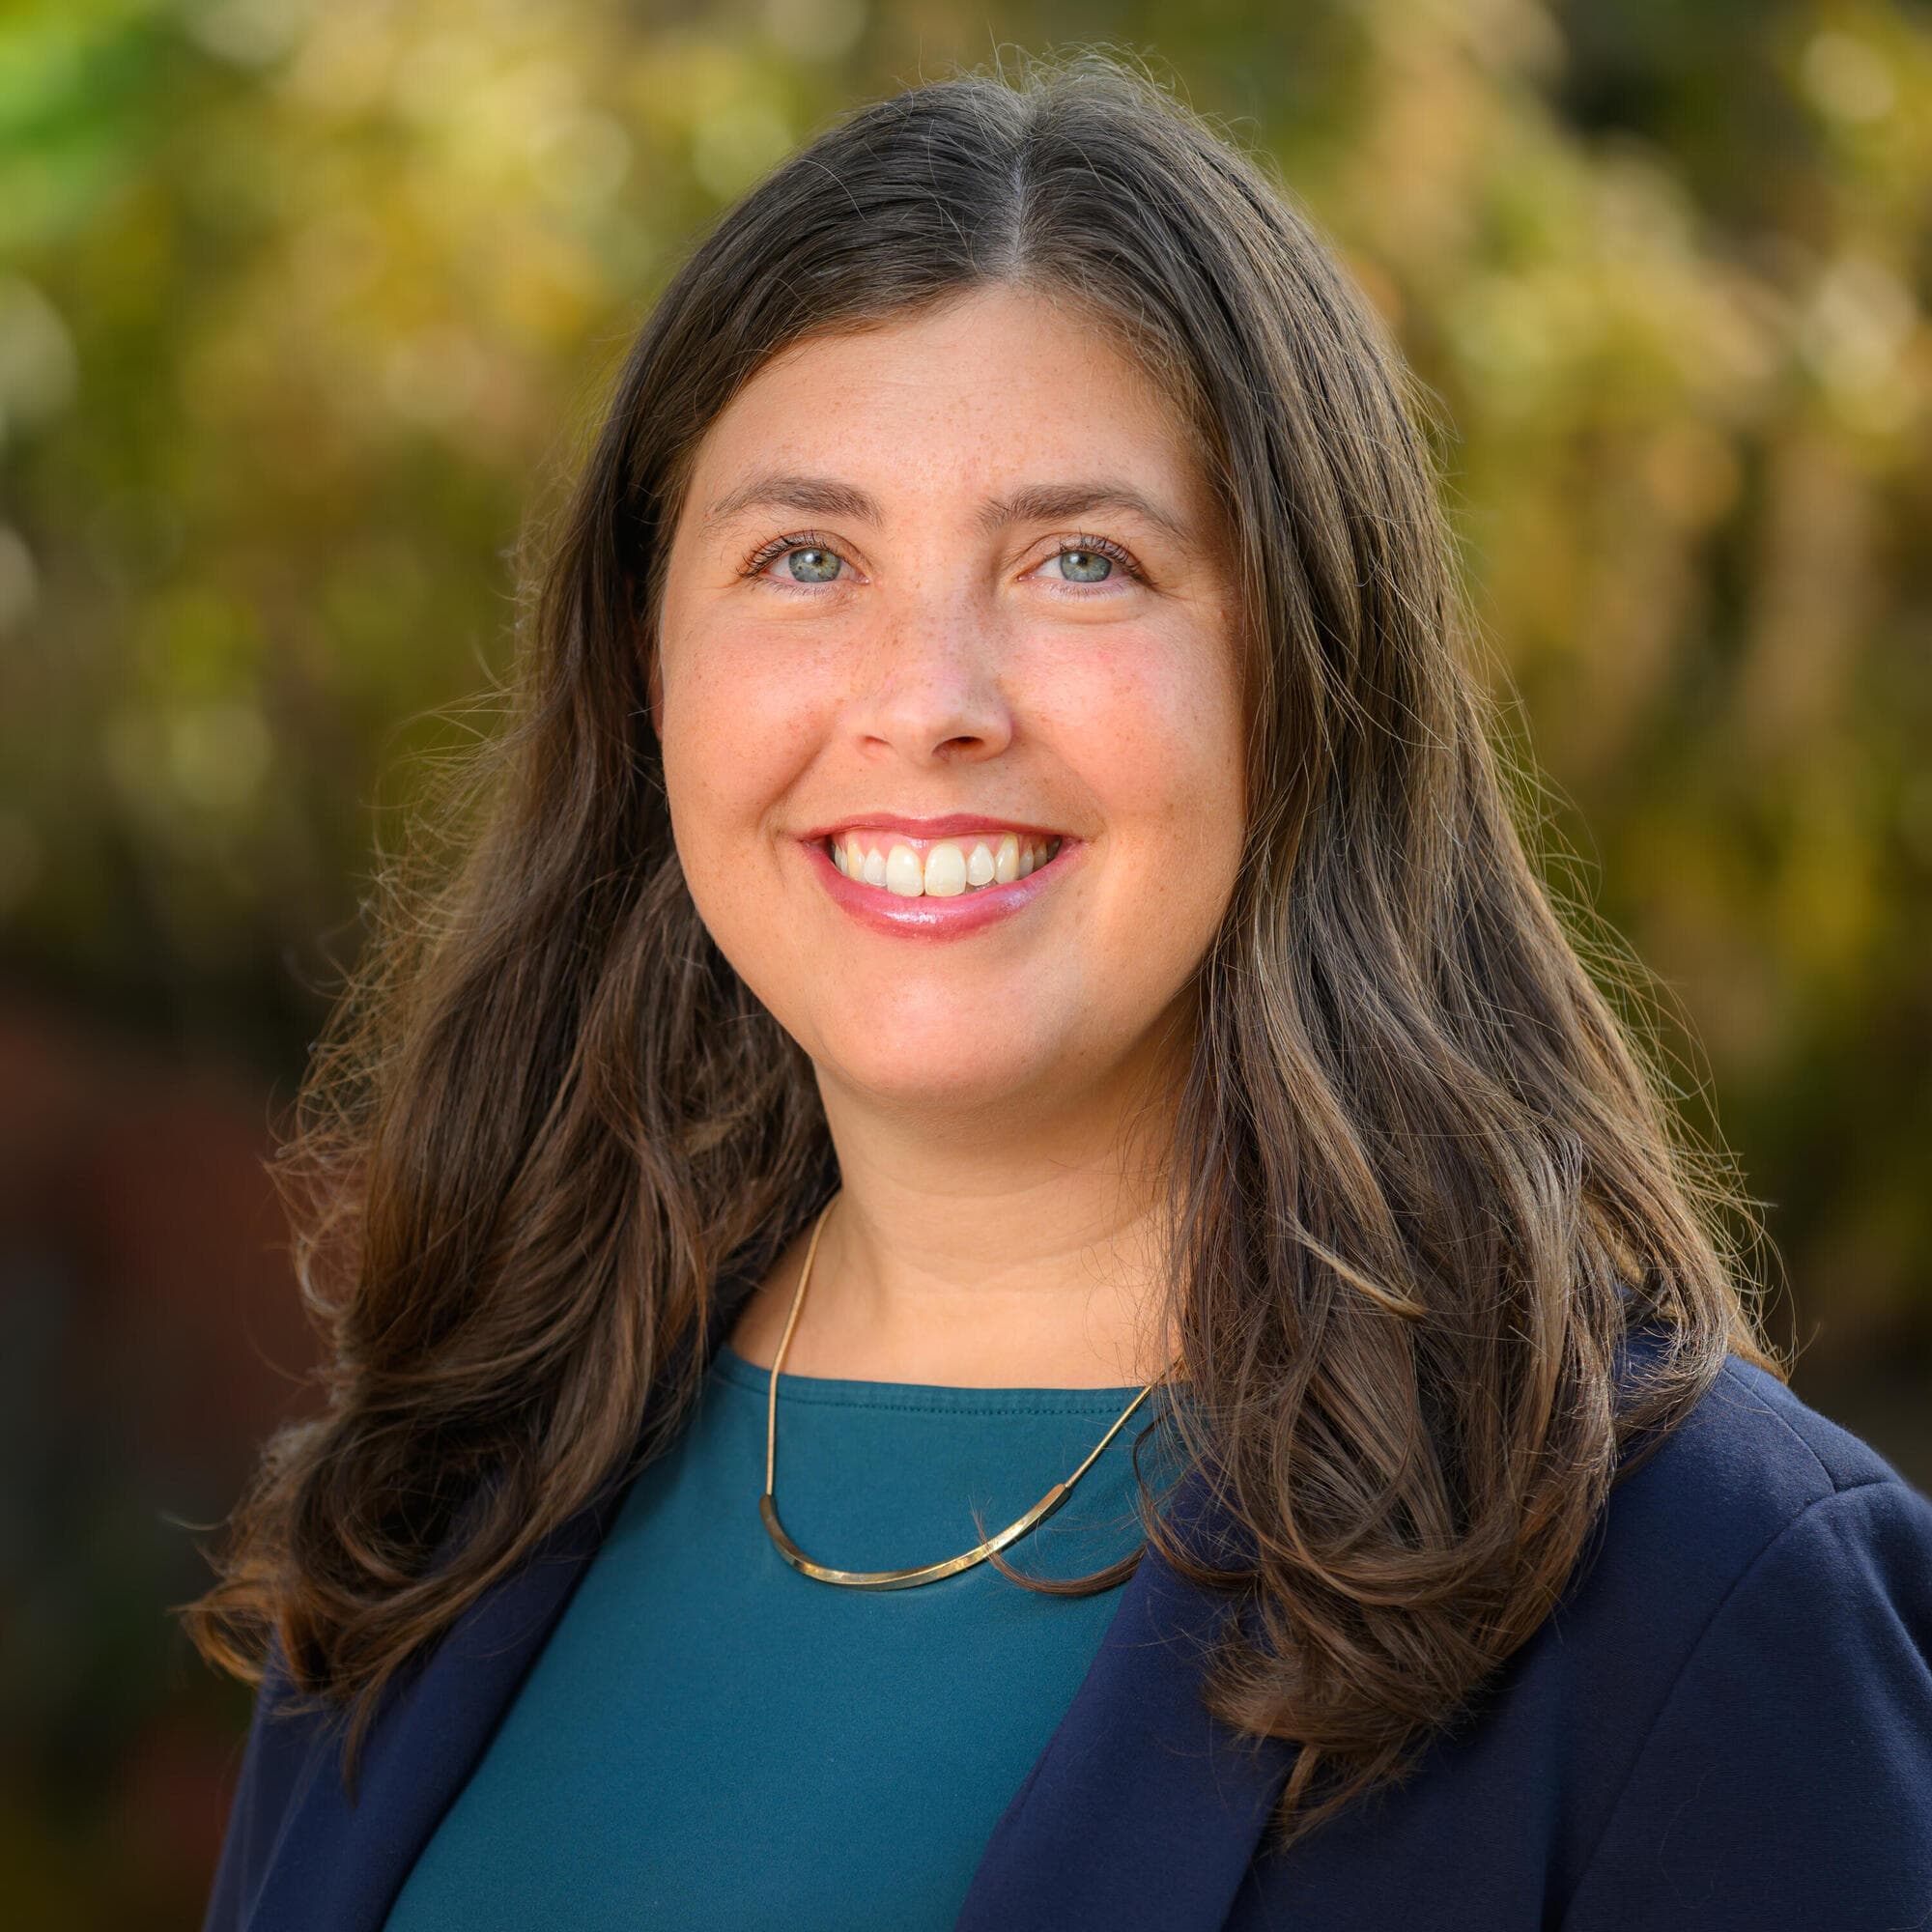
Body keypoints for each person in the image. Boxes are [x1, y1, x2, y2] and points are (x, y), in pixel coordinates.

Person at [186, 50, 1932, 1932]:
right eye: (804, 557)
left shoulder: (1697, 1583)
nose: (928, 698)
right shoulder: (444, 1487)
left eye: (1082, 562)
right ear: (645, 662)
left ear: (1308, 666)